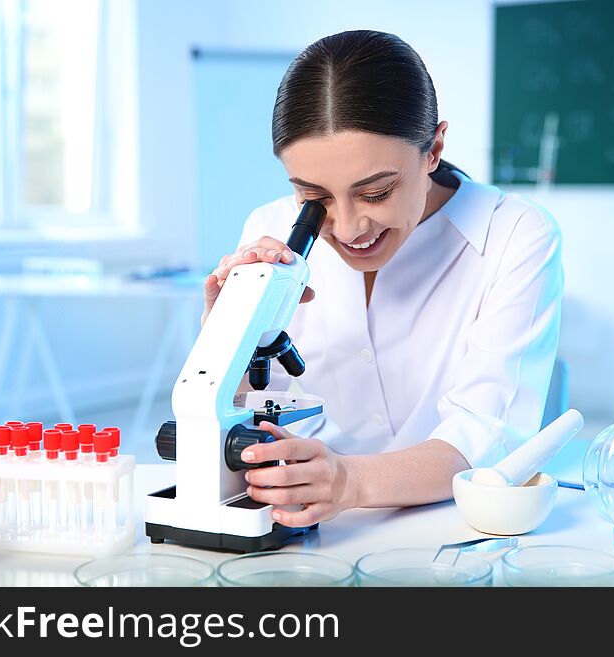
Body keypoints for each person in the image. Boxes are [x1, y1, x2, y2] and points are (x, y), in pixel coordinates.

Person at [201, 30, 563, 528]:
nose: (349, 229)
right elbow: (249, 413)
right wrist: (225, 337)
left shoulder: (514, 234)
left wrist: (351, 482)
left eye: (376, 192)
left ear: (433, 148)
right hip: (303, 526)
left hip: (452, 528)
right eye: (315, 197)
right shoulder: (268, 231)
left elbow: (486, 435)